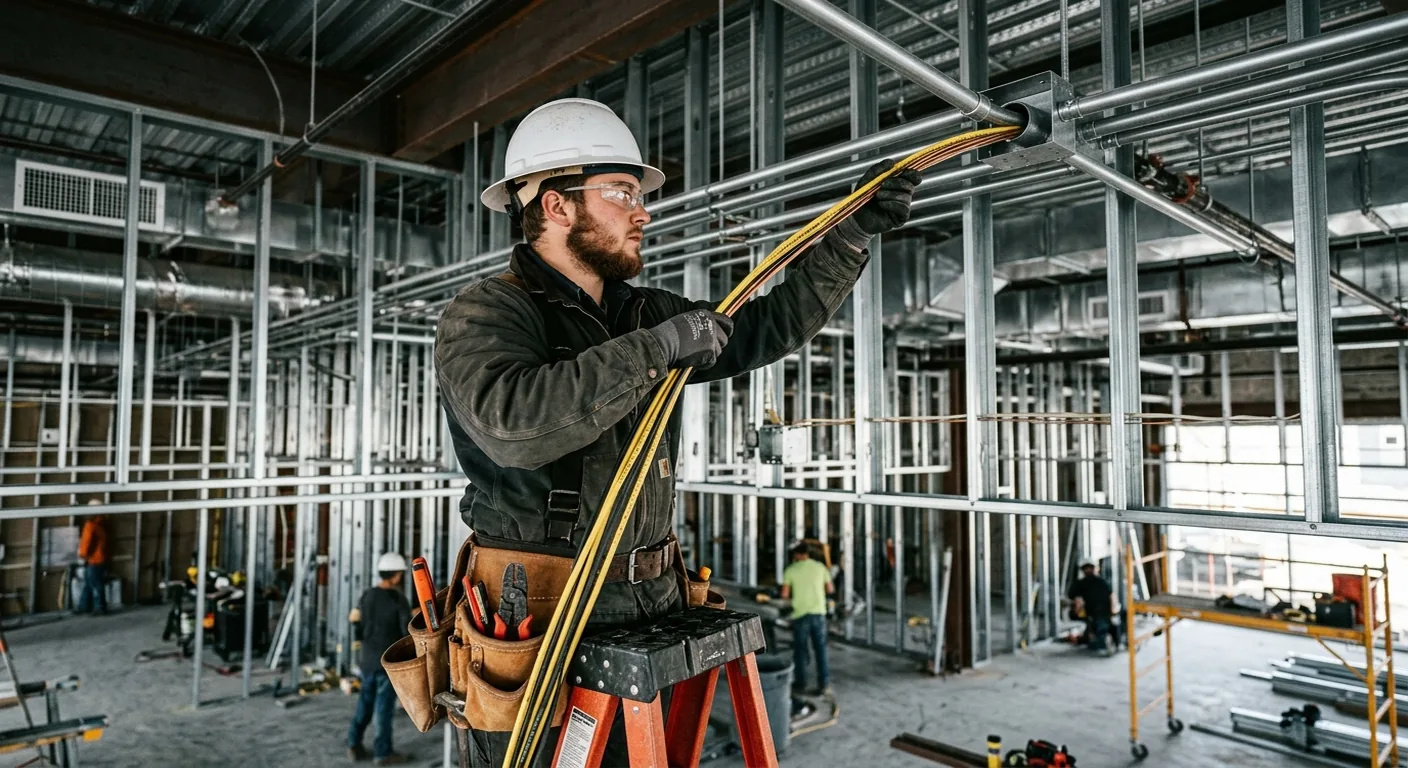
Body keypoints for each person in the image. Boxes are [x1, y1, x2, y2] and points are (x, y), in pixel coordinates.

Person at [433, 97, 920, 764]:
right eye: (621, 192)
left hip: (651, 592)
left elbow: (765, 328)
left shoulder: (643, 310)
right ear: (555, 205)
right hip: (545, 603)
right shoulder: (487, 312)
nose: (644, 211)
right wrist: (656, 350)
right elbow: (514, 424)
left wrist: (852, 235)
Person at [348, 552, 413, 765]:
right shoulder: (398, 598)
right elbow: (406, 632)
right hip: (387, 662)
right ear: (396, 576)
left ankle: (354, 743)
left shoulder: (367, 595)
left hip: (367, 660)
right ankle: (383, 753)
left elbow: (357, 623)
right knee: (383, 709)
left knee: (365, 704)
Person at [781, 543, 834, 696]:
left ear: (798, 555)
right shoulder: (820, 567)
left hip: (800, 614)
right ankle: (823, 684)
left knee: (801, 651)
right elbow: (830, 589)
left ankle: (801, 684)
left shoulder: (791, 570)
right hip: (819, 613)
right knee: (821, 650)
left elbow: (784, 594)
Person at [1069, 561, 1115, 654]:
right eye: (1087, 568)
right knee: (1098, 628)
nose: (1089, 570)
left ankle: (1104, 643)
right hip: (1096, 613)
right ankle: (1095, 640)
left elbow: (1112, 596)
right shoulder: (1084, 583)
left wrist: (1113, 609)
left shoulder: (1100, 582)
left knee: (1101, 629)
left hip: (1099, 613)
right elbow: (1073, 596)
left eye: (1090, 568)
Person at [75, 504, 109, 615]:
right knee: (89, 583)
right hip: (101, 559)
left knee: (95, 584)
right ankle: (83, 606)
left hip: (94, 560)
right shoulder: (101, 526)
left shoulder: (90, 525)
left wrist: (83, 555)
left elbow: (87, 542)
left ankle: (100, 607)